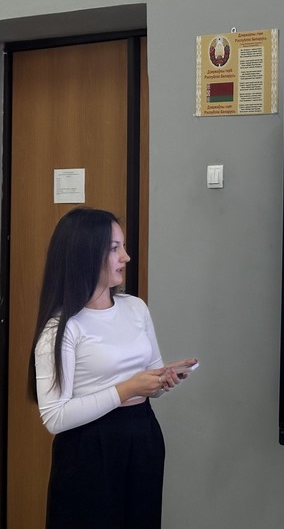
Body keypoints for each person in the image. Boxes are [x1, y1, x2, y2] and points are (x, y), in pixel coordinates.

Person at [28, 207, 196, 528]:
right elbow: (55, 417)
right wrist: (127, 388)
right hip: (89, 448)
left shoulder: (136, 308)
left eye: (124, 246)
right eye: (115, 248)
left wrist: (161, 380)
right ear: (86, 254)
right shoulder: (62, 328)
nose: (126, 257)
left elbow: (150, 381)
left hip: (143, 436)